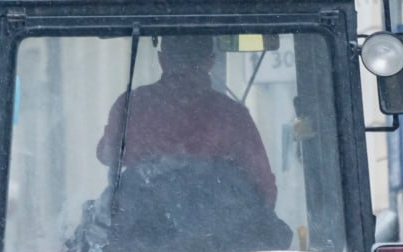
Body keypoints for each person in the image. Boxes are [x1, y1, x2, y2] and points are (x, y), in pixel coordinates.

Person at [96, 35, 277, 206]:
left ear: (162, 60)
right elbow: (264, 190)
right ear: (210, 62)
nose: (183, 68)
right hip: (218, 237)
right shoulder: (233, 117)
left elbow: (107, 154)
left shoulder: (132, 106)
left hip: (141, 235)